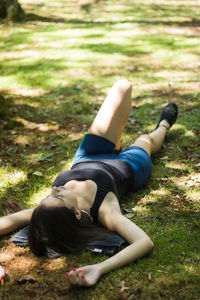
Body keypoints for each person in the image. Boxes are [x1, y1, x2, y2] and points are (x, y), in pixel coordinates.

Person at [0, 79, 178, 287]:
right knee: (146, 139)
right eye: (58, 196)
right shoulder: (105, 210)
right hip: (130, 165)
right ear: (76, 214)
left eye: (50, 195)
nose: (55, 189)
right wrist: (99, 268)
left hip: (88, 155)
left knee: (123, 86)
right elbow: (144, 242)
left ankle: (117, 141)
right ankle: (164, 125)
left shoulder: (46, 211)